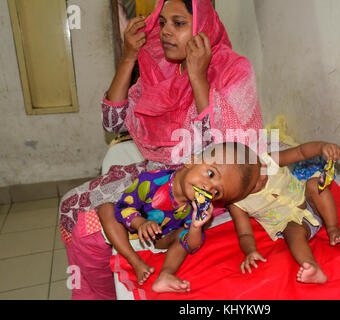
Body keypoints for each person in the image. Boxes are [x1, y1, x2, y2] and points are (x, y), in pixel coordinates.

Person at [59, 0, 263, 299]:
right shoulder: (161, 67)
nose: (166, 32)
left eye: (179, 24)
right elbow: (113, 122)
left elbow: (227, 150)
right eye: (164, 22)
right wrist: (129, 58)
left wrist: (198, 77)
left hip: (203, 186)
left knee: (86, 228)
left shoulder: (233, 70)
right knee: (71, 205)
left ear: (202, 28)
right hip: (159, 173)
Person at [97, 142, 260, 293]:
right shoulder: (151, 181)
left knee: (184, 233)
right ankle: (136, 262)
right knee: (106, 209)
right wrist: (141, 223)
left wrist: (196, 226)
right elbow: (123, 207)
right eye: (210, 174)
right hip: (127, 232)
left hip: (160, 239)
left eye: (217, 192)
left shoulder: (196, 207)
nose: (208, 187)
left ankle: (165, 275)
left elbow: (192, 245)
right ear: (192, 161)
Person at [228, 141, 340, 284]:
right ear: (238, 190)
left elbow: (300, 151)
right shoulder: (237, 204)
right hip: (293, 224)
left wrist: (322, 147)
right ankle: (312, 267)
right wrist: (250, 251)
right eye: (255, 182)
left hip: (311, 202)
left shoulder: (269, 161)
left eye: (260, 166)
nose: (263, 174)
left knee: (314, 185)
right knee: (292, 232)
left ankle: (333, 228)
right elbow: (244, 234)